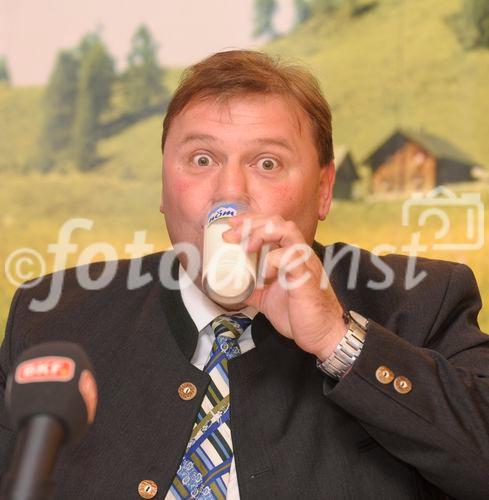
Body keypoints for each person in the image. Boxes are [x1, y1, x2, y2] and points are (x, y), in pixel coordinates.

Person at [1, 49, 488, 499]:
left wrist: (339, 343)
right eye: (202, 160)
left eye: (267, 163)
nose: (229, 193)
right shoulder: (55, 314)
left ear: (323, 190)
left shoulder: (423, 300)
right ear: (164, 186)